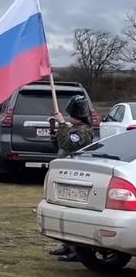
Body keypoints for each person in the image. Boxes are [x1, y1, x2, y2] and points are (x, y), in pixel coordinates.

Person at [48, 95, 95, 261]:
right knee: (63, 210)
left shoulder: (83, 131)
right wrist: (56, 132)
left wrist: (61, 125)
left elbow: (68, 144)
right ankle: (67, 244)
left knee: (73, 212)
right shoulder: (73, 128)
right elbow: (60, 144)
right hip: (64, 171)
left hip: (75, 175)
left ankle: (76, 249)